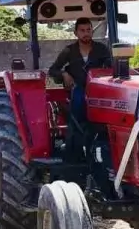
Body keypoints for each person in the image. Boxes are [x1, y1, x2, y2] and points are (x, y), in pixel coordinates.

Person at [47, 18, 113, 146]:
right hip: (78, 88)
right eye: (82, 30)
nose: (86, 33)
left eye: (88, 30)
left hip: (98, 89)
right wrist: (64, 74)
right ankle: (76, 141)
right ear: (75, 33)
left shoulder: (101, 49)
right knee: (78, 100)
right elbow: (53, 70)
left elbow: (111, 67)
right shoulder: (69, 51)